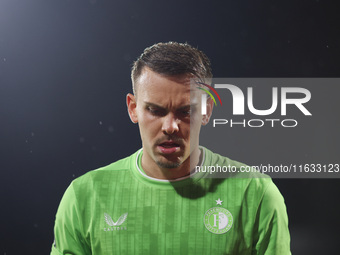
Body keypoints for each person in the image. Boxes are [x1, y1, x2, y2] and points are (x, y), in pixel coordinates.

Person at [51, 42, 291, 254]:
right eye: (155, 110)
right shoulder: (84, 197)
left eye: (185, 111)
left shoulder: (255, 193)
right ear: (133, 108)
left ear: (207, 110)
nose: (170, 127)